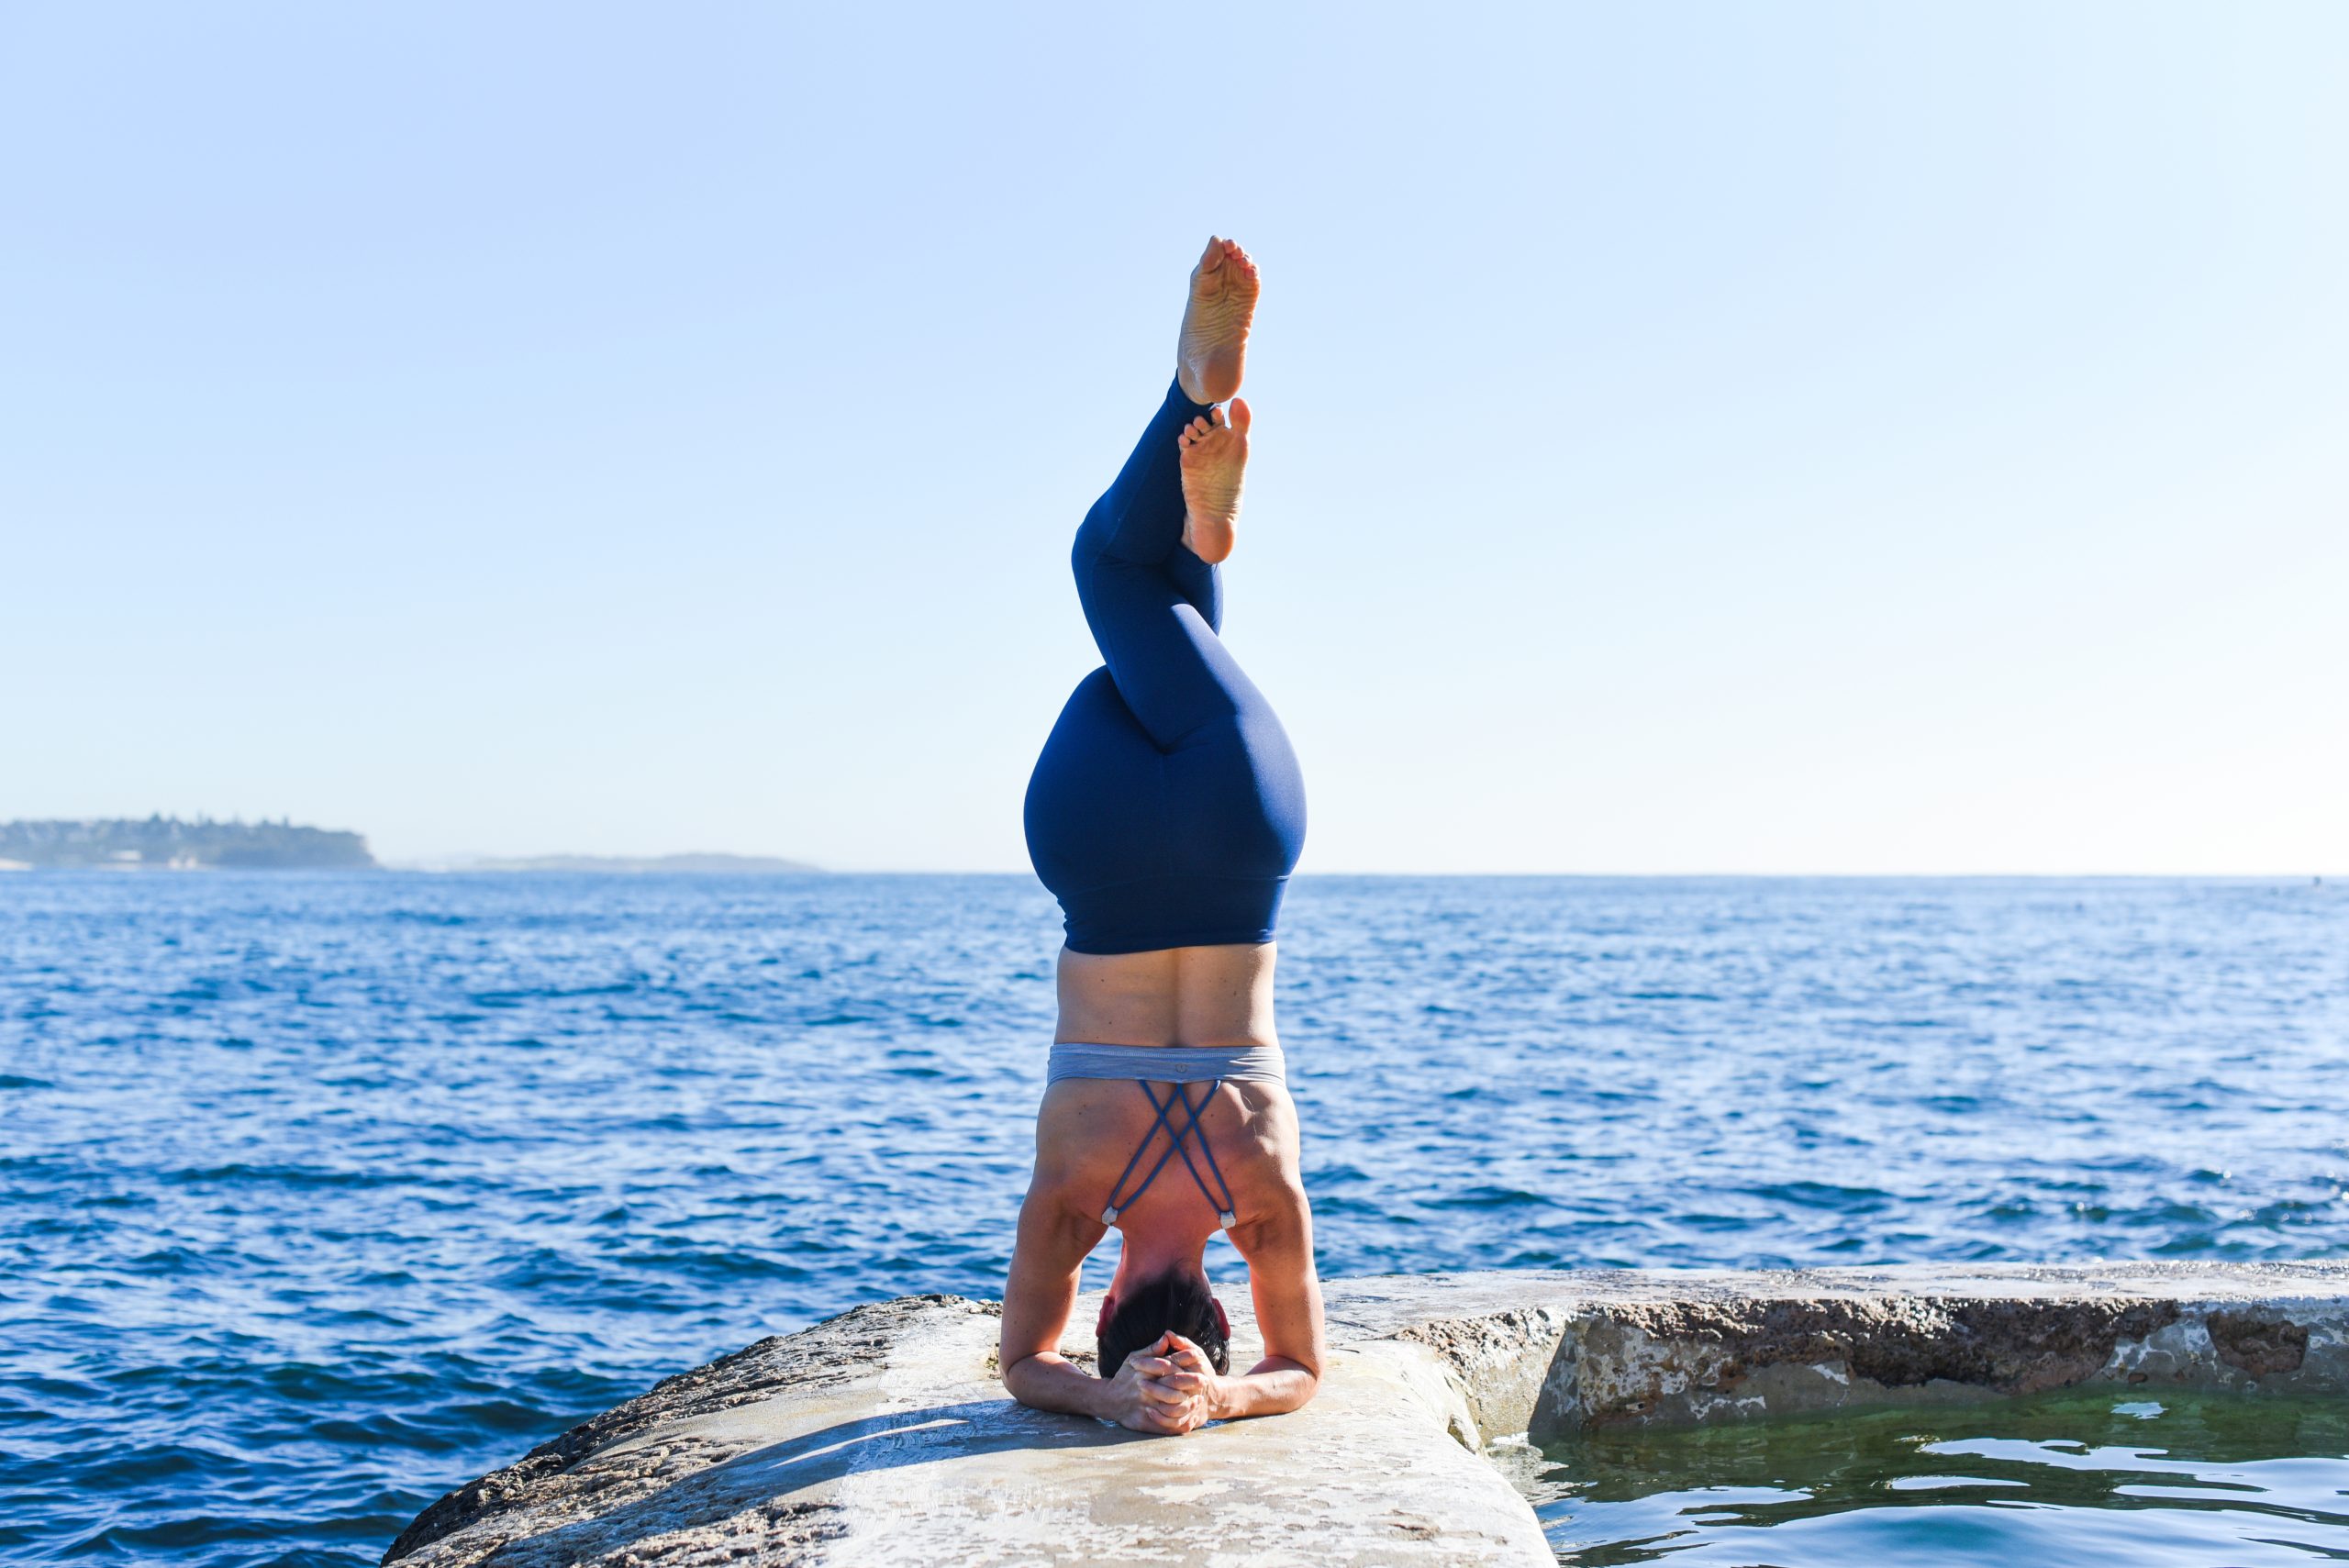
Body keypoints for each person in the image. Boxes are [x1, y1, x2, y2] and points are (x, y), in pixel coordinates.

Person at [998, 237, 1326, 1436]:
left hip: (1244, 842)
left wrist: (1225, 1393)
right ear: (1111, 1300)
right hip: (1100, 854)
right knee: (1115, 577)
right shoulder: (1073, 1200)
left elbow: (1301, 1366)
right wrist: (1101, 1397)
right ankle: (1194, 452)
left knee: (1164, 608)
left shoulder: (1265, 1191)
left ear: (1216, 1301)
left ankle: (1201, 527)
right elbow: (1024, 1360)